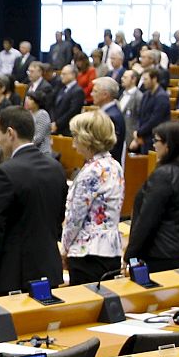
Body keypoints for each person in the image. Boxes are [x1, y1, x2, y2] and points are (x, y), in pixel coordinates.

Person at [0, 107, 67, 295]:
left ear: (10, 133)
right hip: (49, 269)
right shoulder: (56, 168)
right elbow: (58, 218)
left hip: (15, 276)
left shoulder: (4, 172)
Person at [125, 120, 179, 274]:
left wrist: (130, 255)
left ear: (168, 145)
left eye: (156, 140)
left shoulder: (164, 175)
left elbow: (148, 219)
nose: (153, 145)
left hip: (162, 255)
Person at [60, 109, 124, 285]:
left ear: (87, 138)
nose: (73, 143)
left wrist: (64, 248)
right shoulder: (115, 165)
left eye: (75, 136)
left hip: (87, 254)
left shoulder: (91, 171)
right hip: (111, 250)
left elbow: (75, 218)